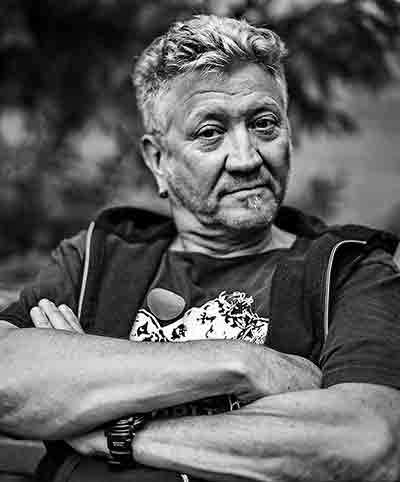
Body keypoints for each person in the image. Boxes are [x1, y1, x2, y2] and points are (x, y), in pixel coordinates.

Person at [0, 14, 399, 482]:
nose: (246, 158)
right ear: (158, 159)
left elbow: (366, 443)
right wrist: (244, 363)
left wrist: (115, 432)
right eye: (210, 132)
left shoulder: (347, 268)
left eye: (264, 123)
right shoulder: (100, 256)